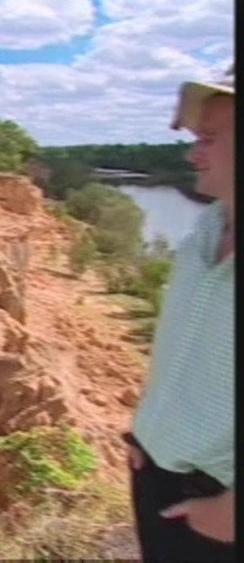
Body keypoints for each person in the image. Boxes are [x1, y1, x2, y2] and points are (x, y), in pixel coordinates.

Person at [124, 65, 235, 562]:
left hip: (220, 502)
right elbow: (183, 350)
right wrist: (146, 435)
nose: (193, 154)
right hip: (157, 475)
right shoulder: (205, 232)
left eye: (209, 138)